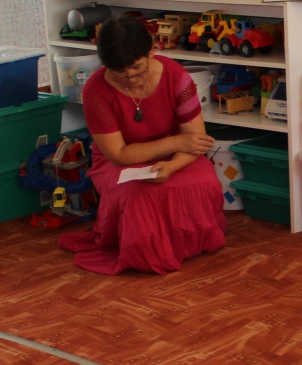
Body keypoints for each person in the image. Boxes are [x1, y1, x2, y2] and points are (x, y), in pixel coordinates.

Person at [59, 16, 225, 275]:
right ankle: (150, 252)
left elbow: (196, 140)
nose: (131, 78)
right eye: (119, 74)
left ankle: (185, 247)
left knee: (205, 182)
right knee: (139, 196)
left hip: (177, 154)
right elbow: (119, 155)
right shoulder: (95, 90)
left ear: (151, 51)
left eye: (137, 69)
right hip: (120, 161)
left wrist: (172, 166)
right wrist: (176, 141)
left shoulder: (177, 76)